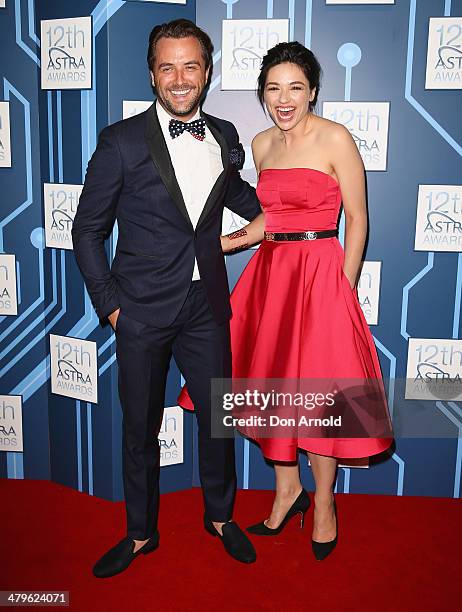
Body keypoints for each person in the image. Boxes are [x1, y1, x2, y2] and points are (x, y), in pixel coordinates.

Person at [178, 41, 393, 561]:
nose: (284, 98)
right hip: (271, 273)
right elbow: (272, 217)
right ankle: (286, 489)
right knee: (272, 389)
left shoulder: (336, 139)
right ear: (263, 95)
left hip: (320, 275)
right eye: (273, 88)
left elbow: (358, 221)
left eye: (295, 87)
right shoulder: (260, 145)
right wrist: (225, 242)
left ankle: (323, 503)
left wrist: (341, 286)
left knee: (320, 399)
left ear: (313, 91)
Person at [72, 19, 263, 578]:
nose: (180, 79)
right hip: (140, 310)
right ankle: (139, 532)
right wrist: (111, 306)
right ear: (153, 75)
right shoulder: (121, 140)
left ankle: (221, 517)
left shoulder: (225, 134)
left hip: (207, 308)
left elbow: (236, 193)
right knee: (139, 430)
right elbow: (87, 231)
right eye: (167, 67)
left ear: (207, 72)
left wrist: (282, 213)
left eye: (191, 66)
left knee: (217, 421)